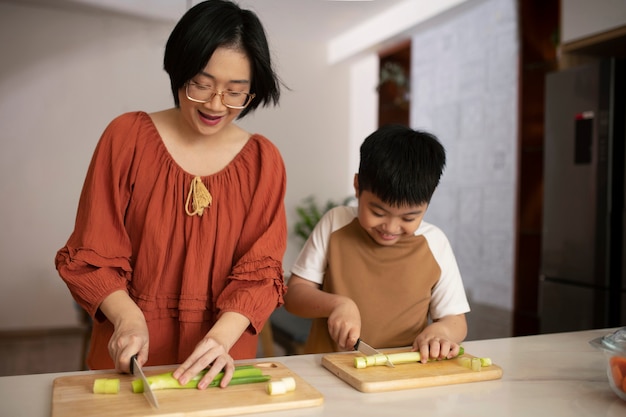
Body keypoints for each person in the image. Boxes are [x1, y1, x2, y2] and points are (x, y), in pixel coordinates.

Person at [55, 0, 287, 389]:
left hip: (220, 361)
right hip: (133, 357)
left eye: (235, 92)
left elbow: (260, 275)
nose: (215, 105)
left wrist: (220, 338)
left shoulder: (263, 161)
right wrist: (128, 320)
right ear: (179, 69)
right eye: (202, 84)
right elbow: (92, 253)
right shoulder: (126, 138)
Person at [284, 124, 469, 362]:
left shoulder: (435, 243)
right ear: (357, 186)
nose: (391, 228)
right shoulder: (335, 223)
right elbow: (294, 296)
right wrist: (337, 304)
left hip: (402, 372)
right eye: (378, 212)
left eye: (408, 218)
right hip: (328, 367)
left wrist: (441, 332)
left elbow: (455, 320)